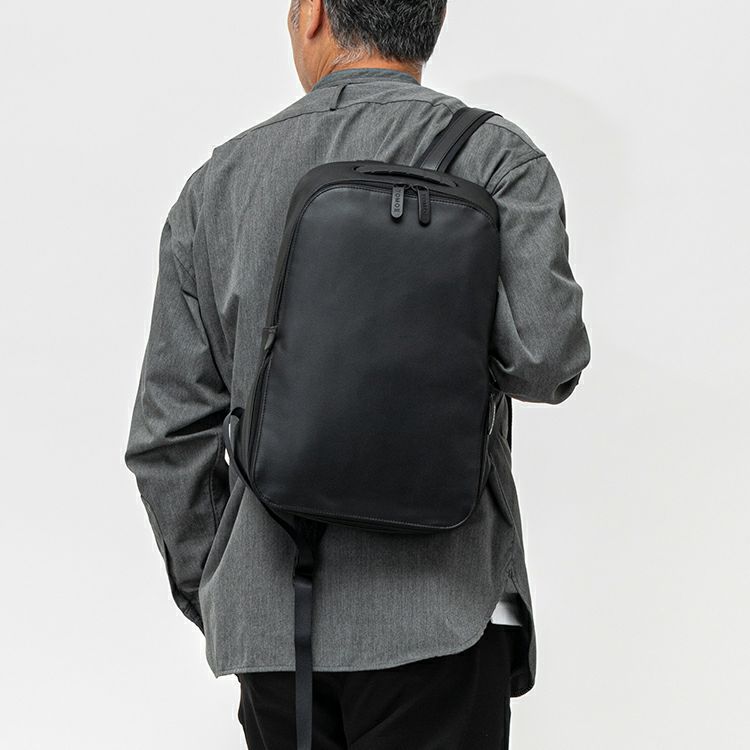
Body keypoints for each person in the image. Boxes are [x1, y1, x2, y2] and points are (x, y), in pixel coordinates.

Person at [125, 1, 591, 747]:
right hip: (441, 616)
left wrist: (225, 590)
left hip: (273, 634)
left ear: (313, 12)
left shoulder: (217, 186)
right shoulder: (496, 158)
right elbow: (547, 360)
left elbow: (167, 436)